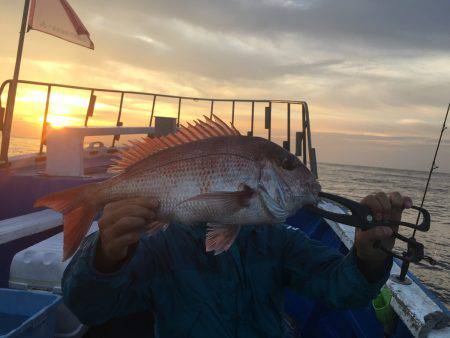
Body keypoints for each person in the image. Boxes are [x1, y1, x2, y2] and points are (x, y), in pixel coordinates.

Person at [62, 191, 411, 337]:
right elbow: (89, 307)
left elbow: (340, 287)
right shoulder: (158, 245)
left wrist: (366, 258)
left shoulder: (276, 238)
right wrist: (106, 255)